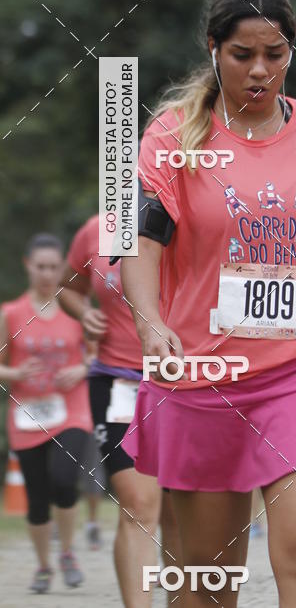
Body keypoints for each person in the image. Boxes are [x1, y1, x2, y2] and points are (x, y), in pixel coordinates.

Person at [119, 0, 296, 608]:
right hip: (201, 377)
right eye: (243, 55)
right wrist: (149, 321)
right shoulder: (173, 136)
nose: (260, 70)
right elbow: (139, 237)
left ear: (292, 52)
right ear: (214, 49)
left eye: (275, 54)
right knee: (208, 583)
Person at [58, 213, 181, 607]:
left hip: (188, 381)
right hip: (117, 381)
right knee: (139, 504)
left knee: (180, 510)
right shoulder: (96, 229)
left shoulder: (201, 217)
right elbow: (68, 286)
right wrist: (83, 311)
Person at [0, 233, 92, 594]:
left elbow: (100, 354)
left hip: (71, 409)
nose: (47, 273)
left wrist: (83, 368)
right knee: (37, 500)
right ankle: (43, 566)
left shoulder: (77, 308)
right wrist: (15, 375)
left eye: (54, 266)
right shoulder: (10, 314)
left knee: (64, 478)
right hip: (28, 414)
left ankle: (67, 552)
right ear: (28, 266)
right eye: (41, 266)